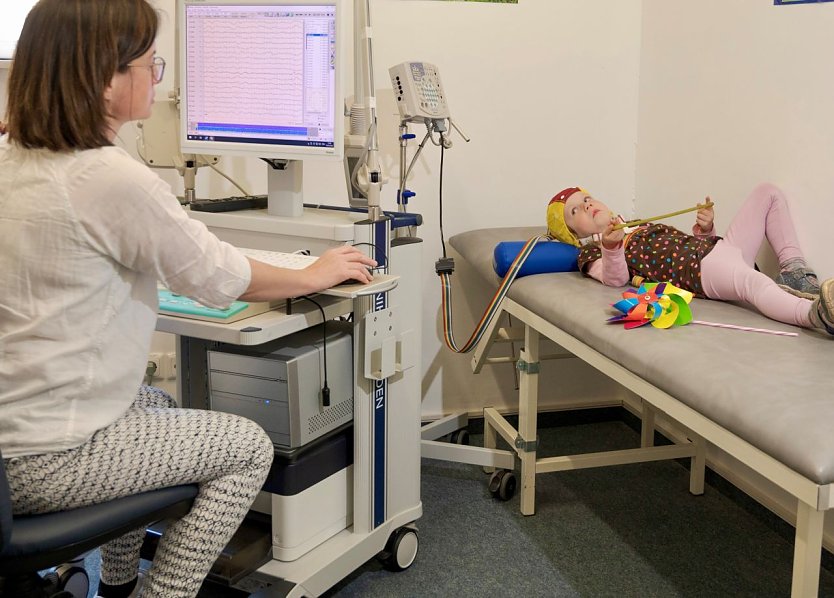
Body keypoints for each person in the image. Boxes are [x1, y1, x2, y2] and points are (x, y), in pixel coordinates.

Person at [0, 1, 377, 597]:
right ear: (104, 79)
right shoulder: (108, 178)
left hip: (12, 439)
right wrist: (315, 273)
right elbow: (219, 277)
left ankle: (120, 584)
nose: (159, 76)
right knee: (248, 447)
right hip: (47, 459)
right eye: (151, 63)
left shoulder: (14, 155)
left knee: (151, 401)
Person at [545, 184, 834, 335]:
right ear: (573, 234)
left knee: (767, 193)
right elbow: (614, 280)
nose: (587, 205)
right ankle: (814, 315)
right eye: (575, 211)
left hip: (717, 251)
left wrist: (706, 230)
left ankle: (795, 271)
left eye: (588, 199)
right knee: (755, 285)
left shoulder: (635, 224)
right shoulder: (593, 251)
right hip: (702, 270)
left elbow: (682, 247)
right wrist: (611, 246)